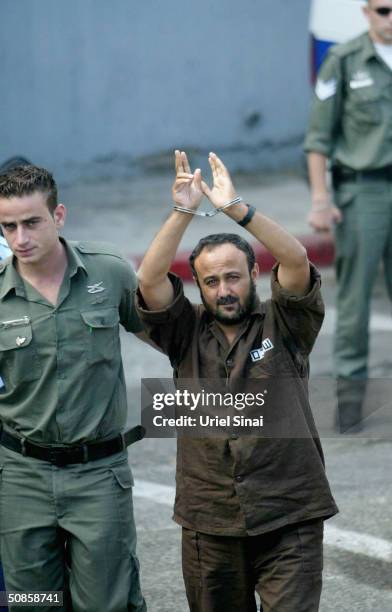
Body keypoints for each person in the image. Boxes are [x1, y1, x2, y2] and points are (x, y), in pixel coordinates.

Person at [136, 150, 338, 612]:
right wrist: (183, 211)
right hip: (210, 520)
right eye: (210, 281)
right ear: (199, 288)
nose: (223, 289)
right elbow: (148, 279)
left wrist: (237, 209)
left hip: (291, 514)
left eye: (233, 276)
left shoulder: (285, 323)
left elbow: (297, 257)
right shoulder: (183, 332)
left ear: (254, 273)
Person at [0, 165, 146, 612]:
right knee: (33, 605)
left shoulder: (110, 272)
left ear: (58, 215)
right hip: (21, 477)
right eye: (8, 226)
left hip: (97, 474)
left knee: (107, 604)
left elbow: (173, 336)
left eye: (31, 222)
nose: (20, 237)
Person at [304, 0, 392, 432]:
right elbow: (318, 138)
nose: (391, 19)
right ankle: (352, 400)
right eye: (384, 10)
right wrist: (321, 199)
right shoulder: (343, 60)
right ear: (366, 12)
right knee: (356, 299)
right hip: (364, 189)